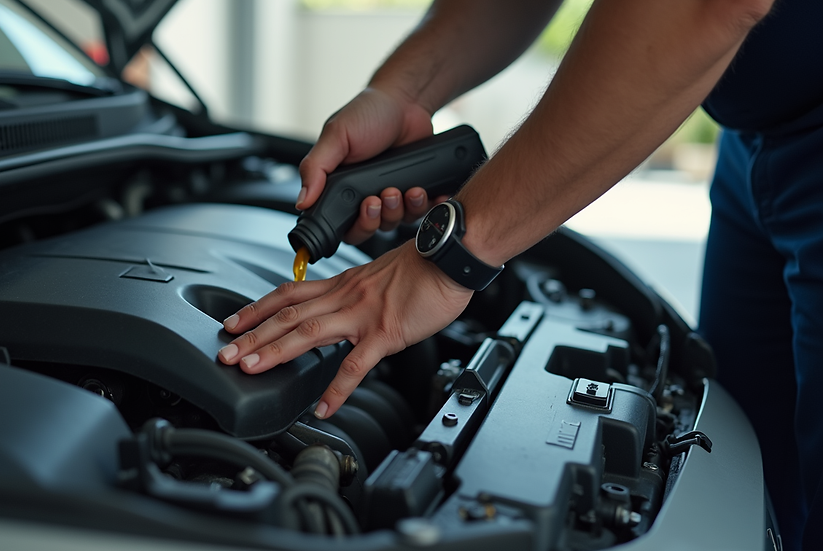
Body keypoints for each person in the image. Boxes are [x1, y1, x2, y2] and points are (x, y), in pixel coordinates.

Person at [216, 1, 822, 549]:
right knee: (766, 484)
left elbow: (703, 6)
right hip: (759, 138)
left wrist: (455, 255)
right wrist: (403, 92)